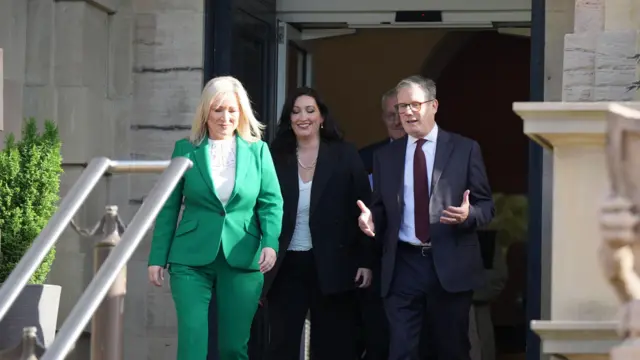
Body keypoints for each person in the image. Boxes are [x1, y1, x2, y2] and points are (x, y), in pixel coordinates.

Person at [357, 75, 494, 360]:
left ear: (433, 106)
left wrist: (469, 215)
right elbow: (381, 207)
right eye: (401, 106)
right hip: (403, 265)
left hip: (450, 262)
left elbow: (486, 207)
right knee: (402, 349)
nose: (406, 112)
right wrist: (372, 221)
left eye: (414, 105)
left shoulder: (465, 149)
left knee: (451, 348)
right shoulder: (386, 156)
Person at [147, 76, 284, 360]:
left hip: (243, 255)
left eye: (232, 110)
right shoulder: (185, 149)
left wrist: (270, 241)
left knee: (234, 347)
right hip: (190, 258)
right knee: (192, 344)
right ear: (205, 112)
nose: (225, 117)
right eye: (218, 110)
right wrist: (157, 257)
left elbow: (271, 202)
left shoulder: (258, 151)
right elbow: (168, 206)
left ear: (241, 112)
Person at [264, 86, 373, 360]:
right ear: (288, 119)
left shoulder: (344, 154)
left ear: (322, 117)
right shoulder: (274, 156)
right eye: (296, 111)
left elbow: (364, 209)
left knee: (332, 345)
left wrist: (365, 260)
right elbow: (260, 210)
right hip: (285, 265)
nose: (303, 117)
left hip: (333, 262)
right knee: (280, 343)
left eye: (310, 110)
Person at [359, 88, 406, 174]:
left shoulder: (435, 153)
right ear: (383, 118)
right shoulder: (364, 159)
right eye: (391, 116)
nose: (397, 122)